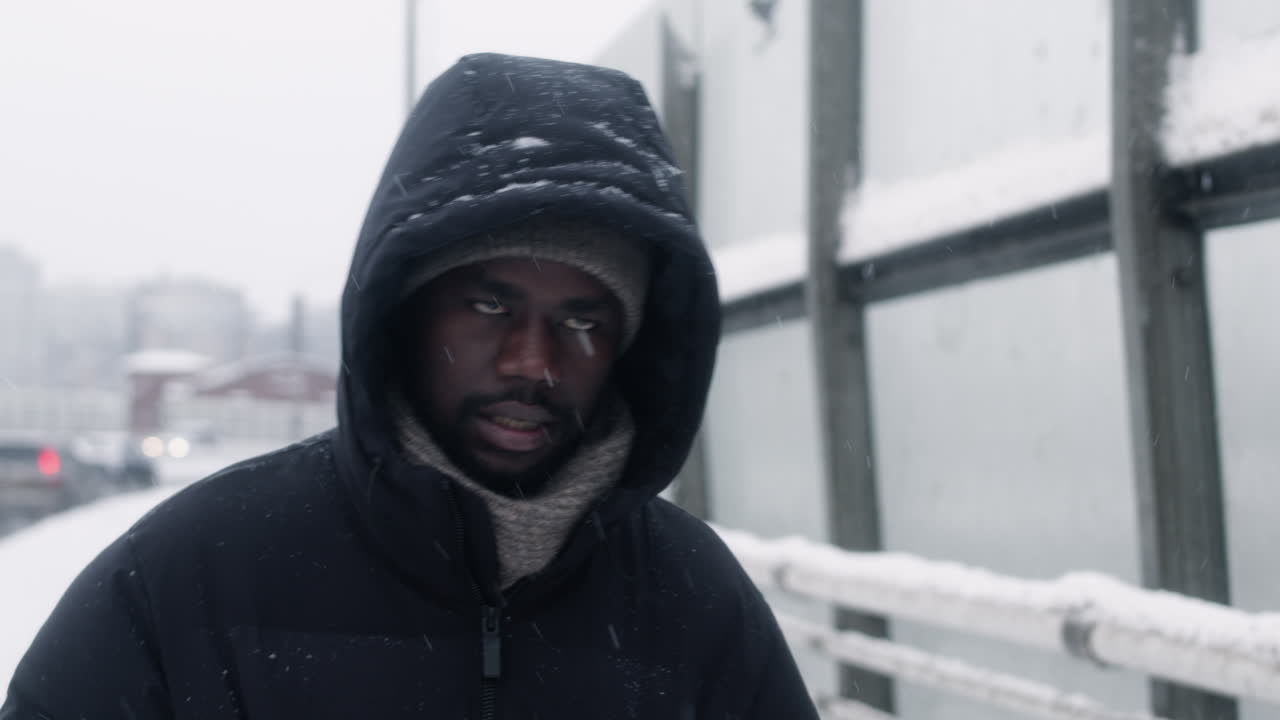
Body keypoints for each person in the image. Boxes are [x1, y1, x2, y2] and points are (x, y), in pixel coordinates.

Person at [2, 53, 819, 719]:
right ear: (406, 313)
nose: (532, 362)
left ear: (628, 345)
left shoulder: (692, 603)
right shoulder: (191, 576)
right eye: (490, 303)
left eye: (582, 321)